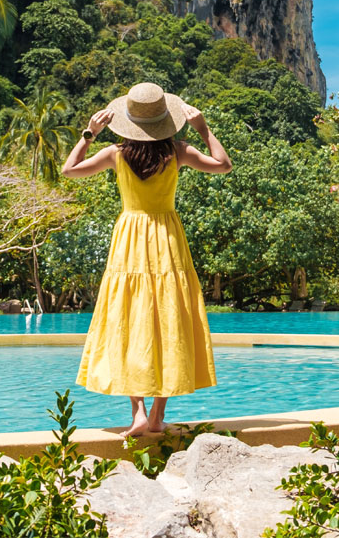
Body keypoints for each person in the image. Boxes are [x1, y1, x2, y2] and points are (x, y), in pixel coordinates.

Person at [61, 82, 233, 438]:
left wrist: (89, 134)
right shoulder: (179, 151)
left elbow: (69, 170)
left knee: (129, 316)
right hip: (167, 237)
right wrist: (203, 129)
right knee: (169, 317)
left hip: (129, 238)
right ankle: (156, 416)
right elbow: (223, 165)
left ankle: (137, 413)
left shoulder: (115, 154)